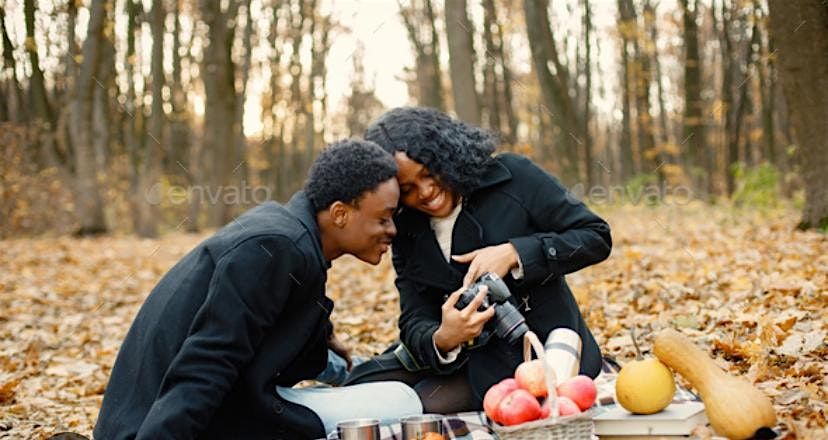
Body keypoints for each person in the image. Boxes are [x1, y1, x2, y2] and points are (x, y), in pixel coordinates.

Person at [94, 140, 422, 440]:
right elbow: (209, 360)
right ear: (339, 214)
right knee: (401, 402)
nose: (391, 230)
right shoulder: (275, 247)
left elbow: (260, 336)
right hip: (151, 426)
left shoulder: (288, 235)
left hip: (175, 410)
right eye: (384, 218)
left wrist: (324, 337)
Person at [346, 107, 612, 413]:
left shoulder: (513, 177)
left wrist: (515, 253)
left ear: (446, 153)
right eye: (407, 189)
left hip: (541, 350)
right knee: (362, 383)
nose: (426, 192)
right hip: (459, 357)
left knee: (423, 405)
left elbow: (595, 236)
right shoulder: (407, 227)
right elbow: (414, 316)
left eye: (430, 172)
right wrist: (443, 337)